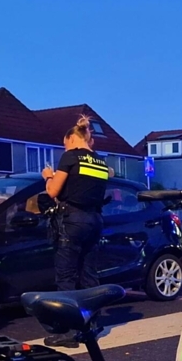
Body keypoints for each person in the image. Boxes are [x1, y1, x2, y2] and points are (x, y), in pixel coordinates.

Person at [40, 116, 114, 347]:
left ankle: (69, 332)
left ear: (72, 138)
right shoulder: (101, 163)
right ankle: (90, 325)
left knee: (66, 275)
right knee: (89, 274)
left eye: (65, 143)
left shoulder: (70, 157)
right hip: (95, 220)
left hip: (72, 220)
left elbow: (52, 191)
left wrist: (48, 176)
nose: (65, 148)